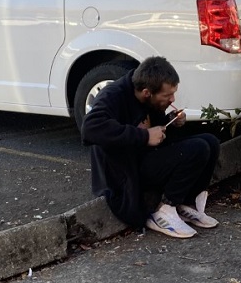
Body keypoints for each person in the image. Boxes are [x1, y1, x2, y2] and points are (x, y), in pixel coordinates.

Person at [81, 56, 221, 239]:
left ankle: (185, 205)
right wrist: (144, 136)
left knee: (210, 141)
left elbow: (149, 125)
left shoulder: (147, 94)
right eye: (167, 95)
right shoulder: (112, 95)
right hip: (125, 171)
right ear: (147, 92)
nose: (172, 99)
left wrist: (169, 121)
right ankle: (161, 213)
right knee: (197, 149)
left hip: (145, 157)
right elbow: (89, 129)